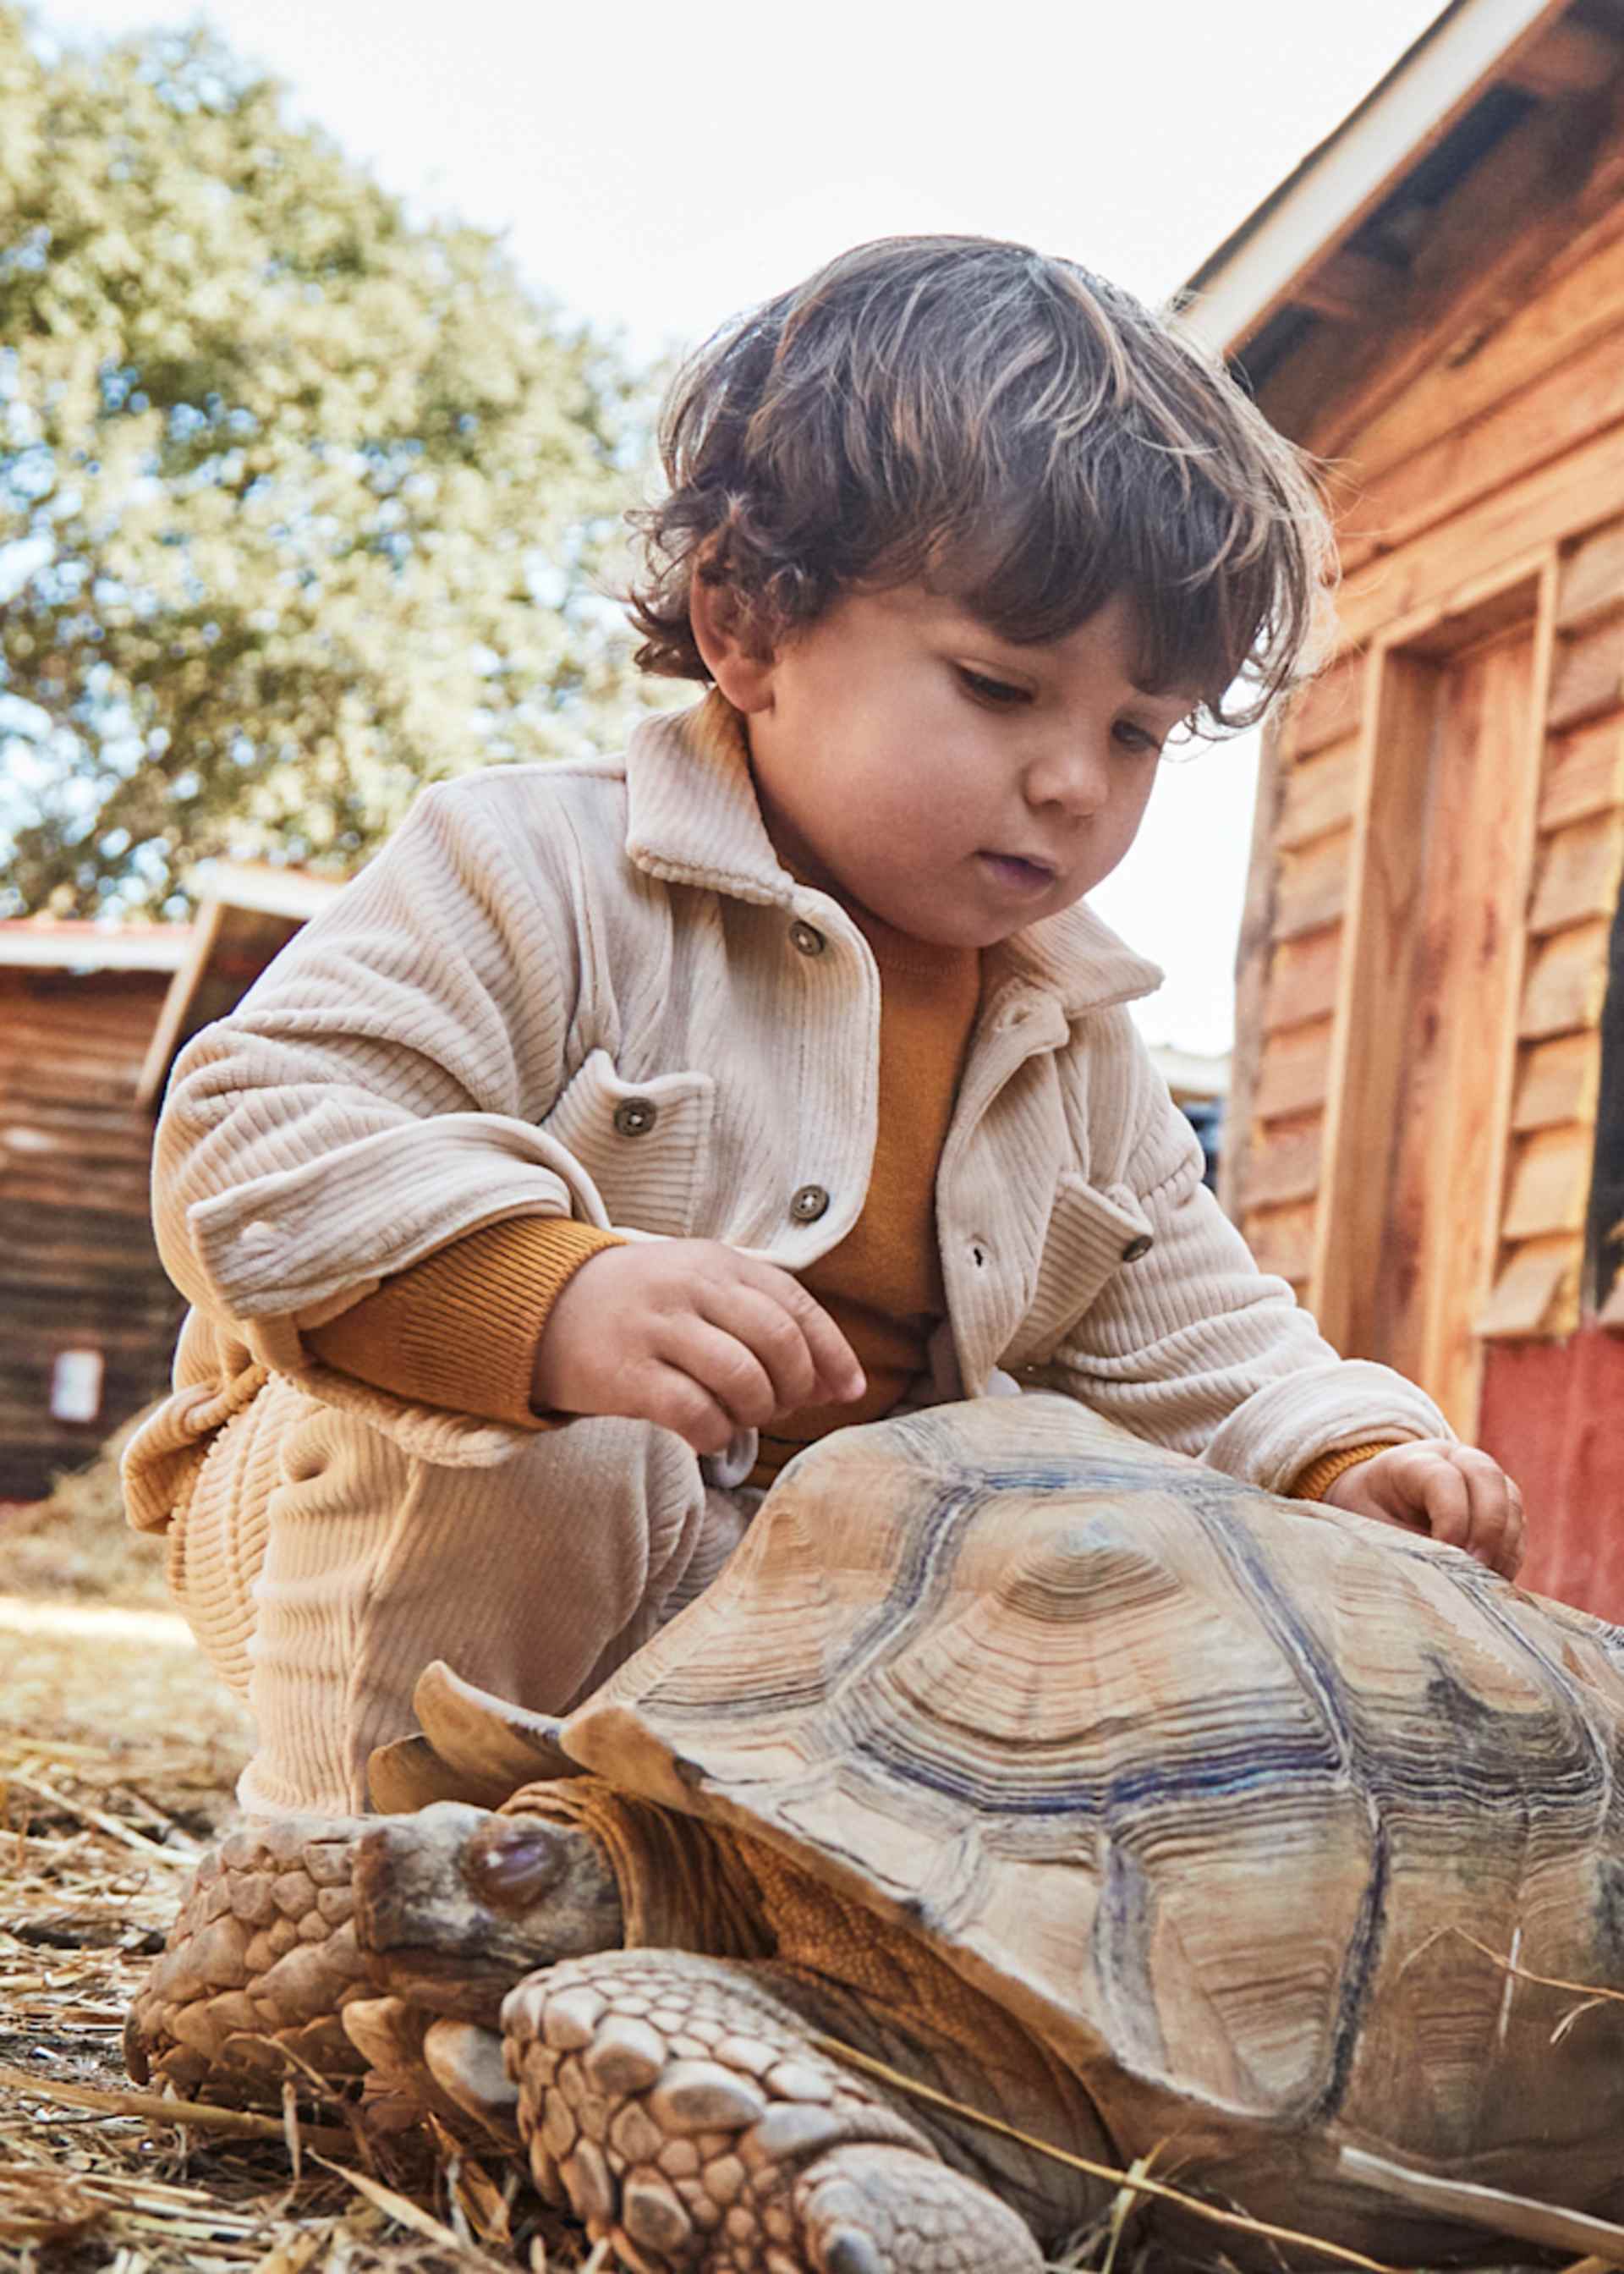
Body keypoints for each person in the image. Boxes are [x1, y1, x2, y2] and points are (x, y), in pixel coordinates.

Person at [124, 235, 1525, 1820]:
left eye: (1137, 733)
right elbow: (252, 1137)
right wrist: (544, 1299)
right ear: (748, 627)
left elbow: (1196, 1329)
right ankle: (357, 1870)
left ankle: (786, 1890)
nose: (1076, 782)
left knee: (1078, 1528)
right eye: (1000, 688)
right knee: (582, 1448)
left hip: (797, 1620)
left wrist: (1345, 1452)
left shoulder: (1070, 1029)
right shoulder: (529, 866)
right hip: (374, 1533)